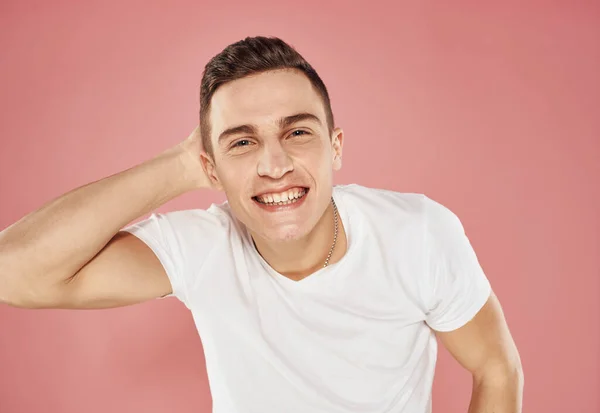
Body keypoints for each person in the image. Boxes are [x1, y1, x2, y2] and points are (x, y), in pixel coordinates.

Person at [0, 36, 523, 413]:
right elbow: (12, 273)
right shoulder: (201, 247)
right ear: (211, 165)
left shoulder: (418, 233)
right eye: (242, 142)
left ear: (335, 146)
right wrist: (180, 165)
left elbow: (496, 369)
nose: (275, 165)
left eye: (297, 132)